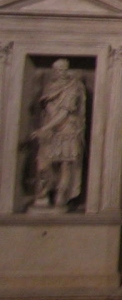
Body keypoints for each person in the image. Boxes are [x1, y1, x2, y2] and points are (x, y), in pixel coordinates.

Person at [28, 59, 87, 211]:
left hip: (67, 130)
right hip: (50, 132)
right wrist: (46, 127)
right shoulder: (50, 87)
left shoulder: (73, 87)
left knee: (65, 165)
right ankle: (43, 194)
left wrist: (44, 128)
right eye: (57, 69)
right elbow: (46, 108)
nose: (60, 72)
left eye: (63, 69)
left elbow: (64, 112)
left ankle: (61, 199)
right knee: (43, 165)